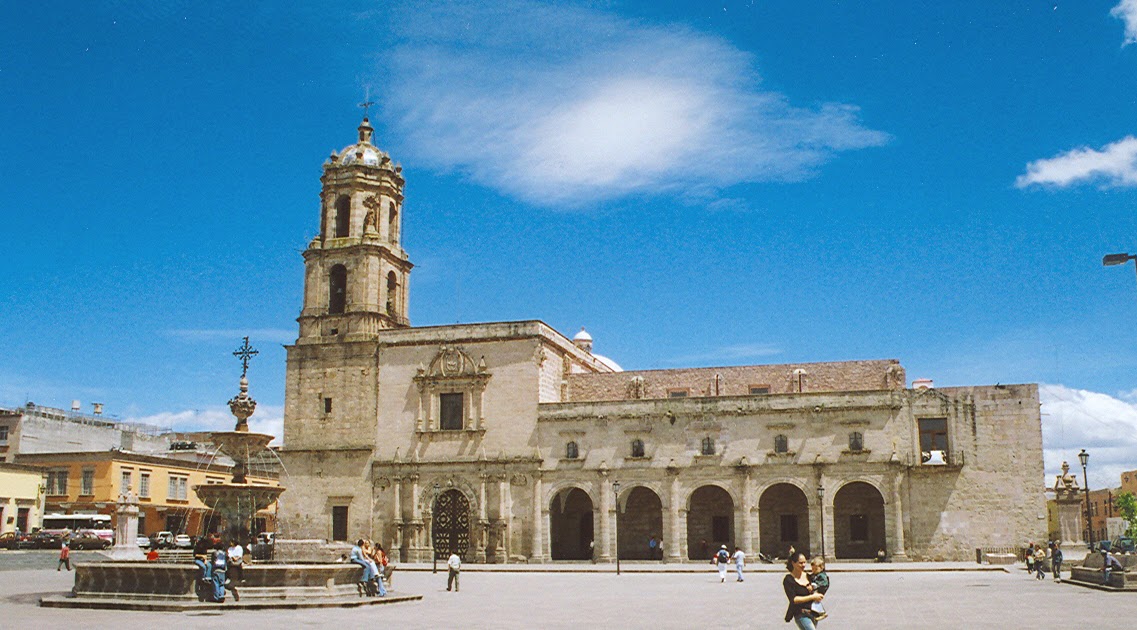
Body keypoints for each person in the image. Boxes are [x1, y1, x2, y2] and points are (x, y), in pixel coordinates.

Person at [783, 552, 824, 629]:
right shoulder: (789, 580)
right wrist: (812, 597)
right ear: (793, 563)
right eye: (801, 563)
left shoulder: (809, 576)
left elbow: (820, 587)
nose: (804, 565)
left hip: (813, 613)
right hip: (801, 614)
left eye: (805, 562)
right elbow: (794, 599)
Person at [809, 557, 830, 622]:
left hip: (821, 589)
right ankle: (818, 613)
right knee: (815, 601)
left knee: (815, 600)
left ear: (822, 567)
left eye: (816, 569)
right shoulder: (815, 574)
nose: (814, 570)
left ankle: (822, 613)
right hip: (818, 588)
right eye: (812, 569)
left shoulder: (822, 576)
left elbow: (823, 583)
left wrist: (814, 585)